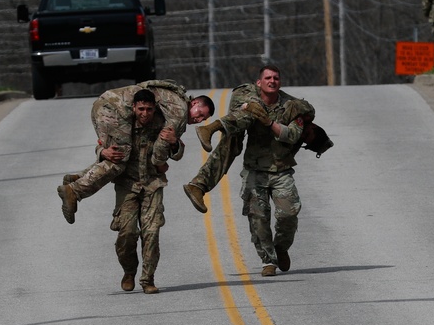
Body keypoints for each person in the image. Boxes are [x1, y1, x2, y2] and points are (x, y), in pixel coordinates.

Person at [184, 64, 332, 276]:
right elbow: (251, 110)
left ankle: (280, 248)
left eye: (276, 78)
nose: (272, 81)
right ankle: (267, 260)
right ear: (259, 82)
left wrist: (269, 121)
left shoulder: (294, 109)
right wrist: (259, 115)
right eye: (268, 78)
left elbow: (291, 134)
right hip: (255, 168)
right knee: (258, 217)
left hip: (280, 171)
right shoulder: (249, 95)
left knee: (289, 214)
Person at [57, 81, 214, 224]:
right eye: (199, 113)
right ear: (193, 103)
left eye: (203, 119)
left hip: (106, 104)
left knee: (115, 153)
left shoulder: (174, 100)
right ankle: (74, 191)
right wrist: (159, 164)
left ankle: (81, 178)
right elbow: (162, 142)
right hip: (114, 110)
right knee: (119, 159)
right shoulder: (180, 111)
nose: (199, 120)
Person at [109, 89, 180, 294]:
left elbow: (178, 153)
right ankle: (129, 270)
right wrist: (102, 152)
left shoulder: (162, 124)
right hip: (127, 185)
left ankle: (147, 278)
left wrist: (174, 142)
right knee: (127, 233)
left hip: (152, 184)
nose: (145, 113)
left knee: (151, 232)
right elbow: (103, 146)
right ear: (133, 108)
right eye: (141, 109)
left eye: (149, 109)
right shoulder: (123, 125)